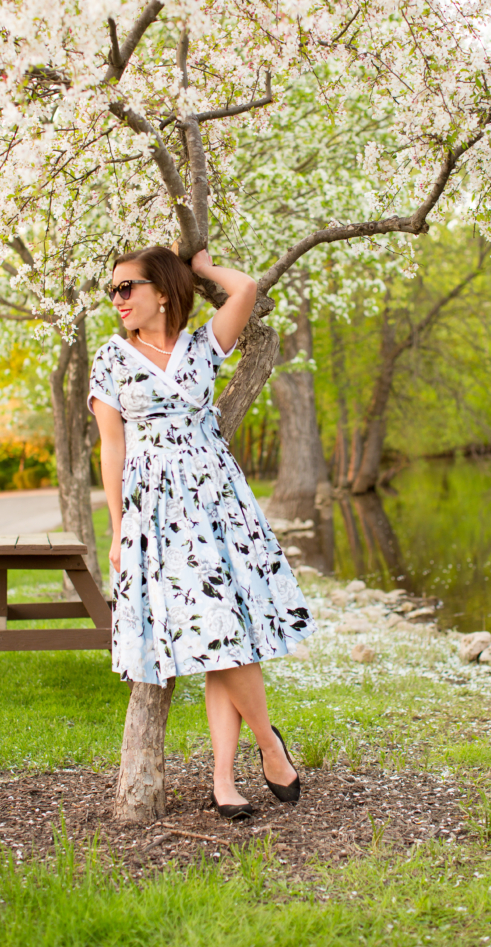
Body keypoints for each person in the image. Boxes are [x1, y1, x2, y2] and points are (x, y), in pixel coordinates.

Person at [89, 244, 316, 819]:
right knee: (215, 633)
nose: (117, 299)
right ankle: (271, 748)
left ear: (161, 292)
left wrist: (203, 266)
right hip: (158, 513)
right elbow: (111, 451)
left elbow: (244, 292)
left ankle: (223, 781)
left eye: (127, 288)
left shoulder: (199, 347)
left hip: (217, 503)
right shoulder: (111, 361)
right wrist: (118, 530)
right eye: (112, 290)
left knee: (226, 641)